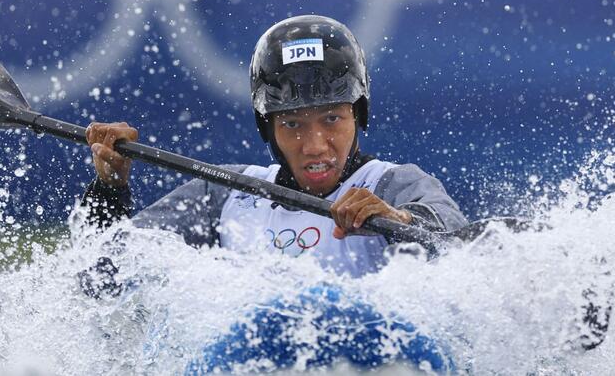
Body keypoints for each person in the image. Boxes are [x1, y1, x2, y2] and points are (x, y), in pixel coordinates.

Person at [80, 15, 466, 277]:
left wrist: (400, 223)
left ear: (358, 115)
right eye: (293, 124)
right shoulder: (224, 193)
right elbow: (100, 275)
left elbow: (461, 252)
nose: (315, 145)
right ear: (268, 128)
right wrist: (110, 189)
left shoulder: (392, 186)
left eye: (332, 119)